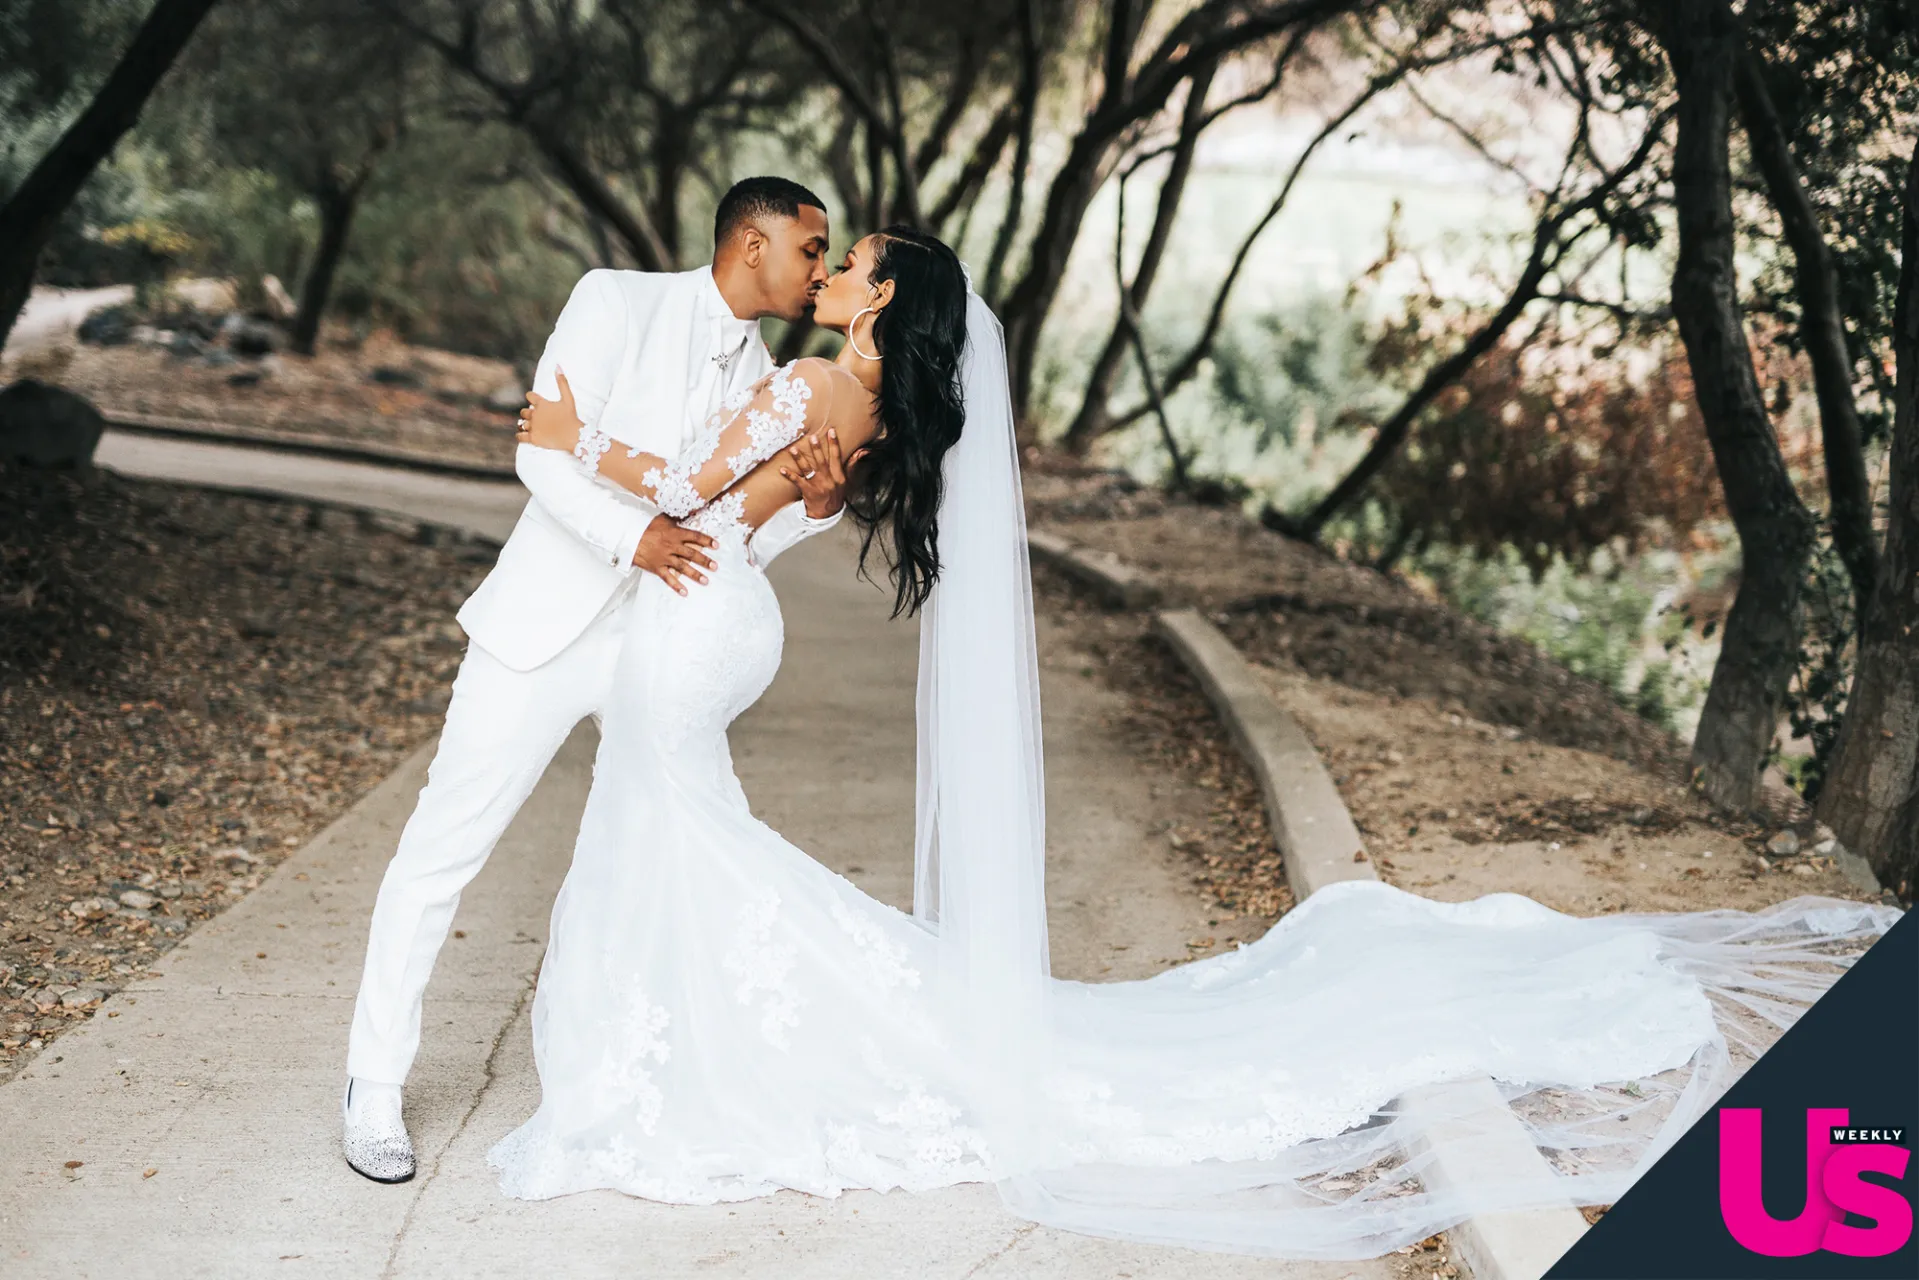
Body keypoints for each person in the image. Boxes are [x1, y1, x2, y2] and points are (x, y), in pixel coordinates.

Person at [503, 224, 1897, 1259]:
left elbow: (680, 485)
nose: (832, 272)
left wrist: (577, 439)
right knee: (677, 825)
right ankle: (672, 1042)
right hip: (723, 613)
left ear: (879, 299)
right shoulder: (864, 414)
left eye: (851, 262)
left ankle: (667, 1056)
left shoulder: (814, 380)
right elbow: (762, 519)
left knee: (671, 823)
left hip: (692, 622)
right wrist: (738, 495)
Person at [340, 177, 853, 1184]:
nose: (820, 271)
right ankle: (373, 1083)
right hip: (540, 628)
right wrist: (638, 538)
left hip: (661, 650)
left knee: (681, 863)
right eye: (810, 248)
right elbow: (541, 451)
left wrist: (820, 508)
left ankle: (665, 1089)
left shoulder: (779, 382)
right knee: (442, 849)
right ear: (752, 243)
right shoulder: (613, 299)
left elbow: (743, 537)